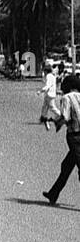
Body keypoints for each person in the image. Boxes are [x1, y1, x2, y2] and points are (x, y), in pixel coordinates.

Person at [43, 74, 80, 205]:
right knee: (66, 165)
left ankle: (53, 194)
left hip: (75, 136)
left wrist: (55, 122)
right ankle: (53, 194)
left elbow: (65, 116)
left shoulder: (66, 98)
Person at [39, 63, 59, 129]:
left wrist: (41, 91)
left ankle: (62, 116)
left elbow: (48, 85)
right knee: (45, 106)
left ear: (46, 71)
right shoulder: (52, 76)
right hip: (50, 94)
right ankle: (43, 117)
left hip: (50, 94)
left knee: (52, 107)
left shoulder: (49, 76)